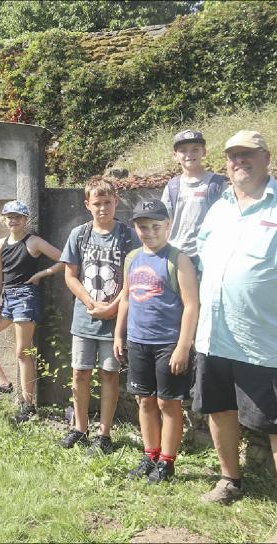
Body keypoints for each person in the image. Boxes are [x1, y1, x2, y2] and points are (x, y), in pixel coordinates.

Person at [193, 130, 277, 505]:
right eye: (232, 156)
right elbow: (198, 258)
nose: (238, 162)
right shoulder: (219, 207)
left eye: (247, 155)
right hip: (214, 335)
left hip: (263, 338)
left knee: (274, 423)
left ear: (266, 158)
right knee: (219, 408)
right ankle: (230, 480)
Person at [114, 200, 199, 483]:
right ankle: (150, 455)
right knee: (145, 401)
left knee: (168, 404)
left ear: (167, 225)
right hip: (138, 342)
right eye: (142, 226)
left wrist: (183, 347)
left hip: (168, 345)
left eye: (155, 226)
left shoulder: (178, 259)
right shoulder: (132, 258)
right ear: (135, 227)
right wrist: (119, 333)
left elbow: (191, 305)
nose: (148, 231)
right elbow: (126, 297)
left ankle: (167, 462)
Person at [60, 178, 139, 455]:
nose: (102, 208)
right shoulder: (79, 235)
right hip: (84, 319)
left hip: (115, 320)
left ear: (116, 202)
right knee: (80, 373)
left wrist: (113, 307)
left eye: (107, 202)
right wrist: (88, 301)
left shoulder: (128, 236)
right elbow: (70, 275)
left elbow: (133, 279)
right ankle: (79, 428)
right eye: (97, 203)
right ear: (87, 205)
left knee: (109, 374)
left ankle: (104, 433)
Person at [0, 201, 64, 424]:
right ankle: (3, 385)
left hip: (26, 298)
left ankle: (28, 405)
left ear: (25, 219)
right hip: (6, 300)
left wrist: (41, 275)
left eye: (18, 217)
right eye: (9, 217)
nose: (13, 220)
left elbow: (65, 259)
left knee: (22, 353)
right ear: (4, 219)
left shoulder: (34, 241)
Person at [160, 130, 227, 270]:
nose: (189, 155)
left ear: (204, 151)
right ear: (175, 156)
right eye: (183, 151)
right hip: (175, 256)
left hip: (208, 258)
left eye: (195, 149)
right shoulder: (172, 186)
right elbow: (165, 224)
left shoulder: (218, 184)